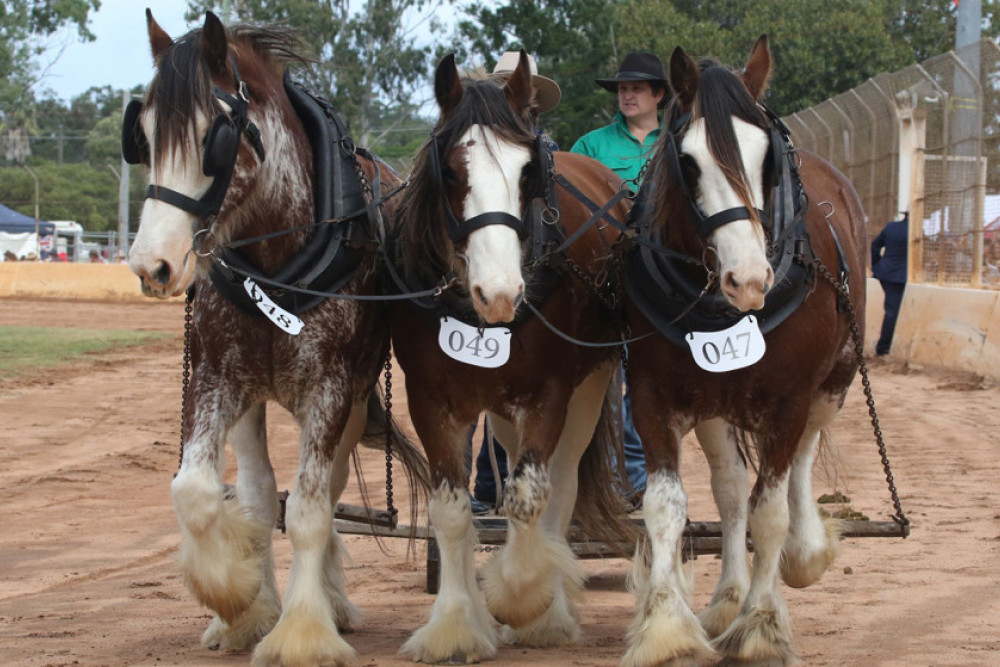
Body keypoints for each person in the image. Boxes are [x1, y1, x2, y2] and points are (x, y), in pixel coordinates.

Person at [570, 52, 669, 508]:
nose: (626, 95)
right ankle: (599, 481)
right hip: (601, 281)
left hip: (661, 284)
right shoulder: (590, 147)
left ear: (659, 95)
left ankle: (632, 479)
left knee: (646, 380)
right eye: (622, 89)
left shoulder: (678, 141)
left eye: (637, 88)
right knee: (594, 382)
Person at [466, 51, 563, 515]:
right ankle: (486, 485)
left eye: (515, 88)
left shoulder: (544, 151)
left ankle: (628, 476)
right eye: (499, 86)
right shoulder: (475, 143)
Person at [870, 212, 909, 356]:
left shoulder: (891, 227)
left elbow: (874, 246)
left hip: (885, 273)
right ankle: (883, 348)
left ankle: (885, 346)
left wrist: (877, 265)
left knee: (892, 311)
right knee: (893, 312)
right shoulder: (915, 231)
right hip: (900, 276)